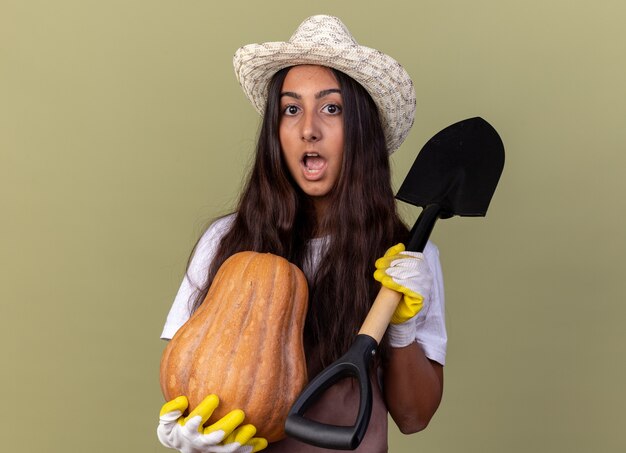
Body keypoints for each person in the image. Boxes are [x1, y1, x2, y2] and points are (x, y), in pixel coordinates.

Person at [157, 14, 447, 453]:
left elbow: (414, 417)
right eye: (291, 109)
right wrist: (189, 438)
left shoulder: (407, 259)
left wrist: (402, 332)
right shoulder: (225, 241)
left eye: (331, 108)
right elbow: (190, 374)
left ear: (362, 132)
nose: (308, 128)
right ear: (276, 131)